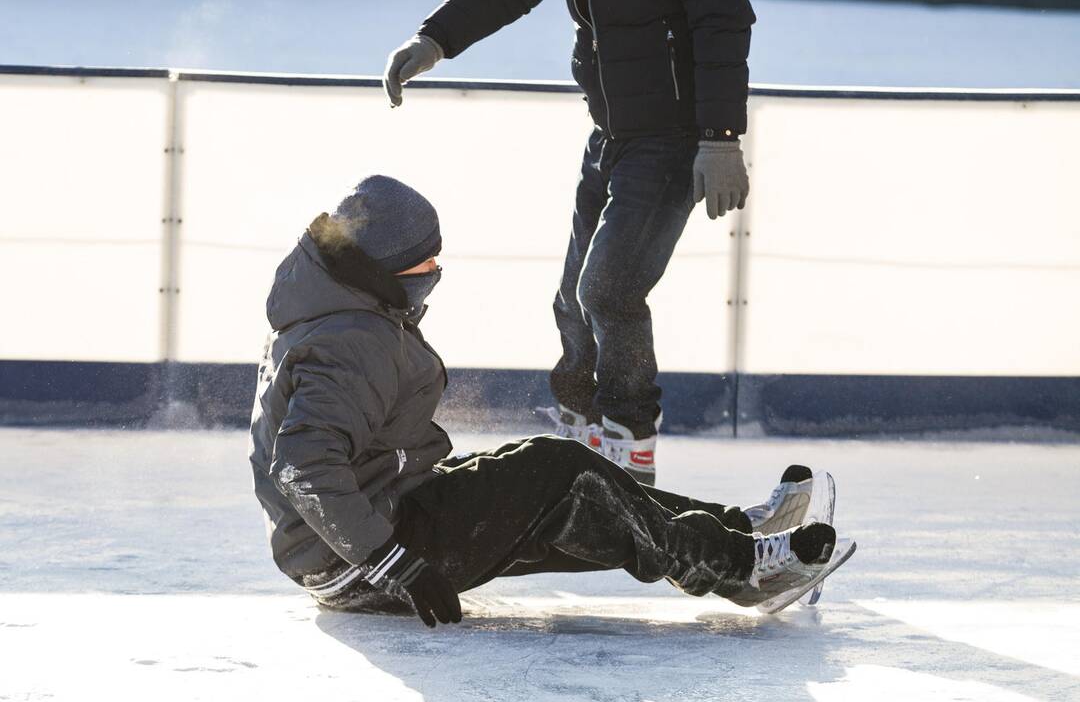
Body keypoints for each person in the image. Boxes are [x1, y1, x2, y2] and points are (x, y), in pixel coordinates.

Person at [249, 177, 854, 627]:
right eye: (427, 260)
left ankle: (735, 531)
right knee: (558, 470)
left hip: (374, 521)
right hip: (363, 556)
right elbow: (304, 468)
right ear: (385, 268)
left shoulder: (337, 309)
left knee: (566, 489)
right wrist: (393, 564)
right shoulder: (350, 340)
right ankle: (743, 568)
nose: (438, 269)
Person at [383, 0, 756, 485]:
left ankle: (629, 446)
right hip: (610, 136)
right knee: (572, 303)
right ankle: (578, 437)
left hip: (672, 140)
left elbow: (723, 19)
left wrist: (721, 137)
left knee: (608, 290)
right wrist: (435, 39)